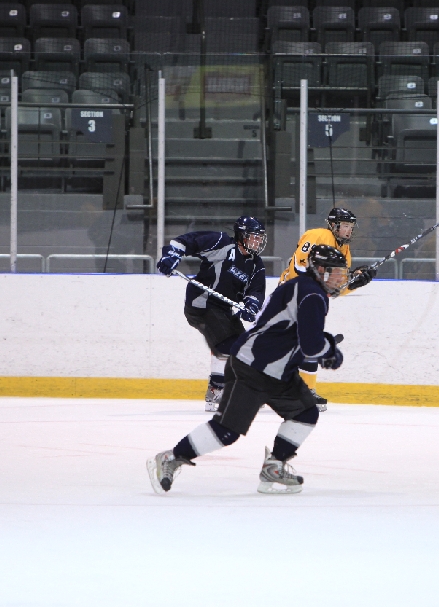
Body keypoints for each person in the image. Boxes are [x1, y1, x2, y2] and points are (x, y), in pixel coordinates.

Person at [148, 244, 349, 495]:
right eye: (335, 272)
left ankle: (274, 466)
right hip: (251, 368)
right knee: (227, 430)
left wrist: (323, 346)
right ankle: (171, 457)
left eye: (342, 272)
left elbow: (295, 334)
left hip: (277, 372)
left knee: (305, 412)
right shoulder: (312, 294)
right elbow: (310, 344)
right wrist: (329, 351)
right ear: (319, 270)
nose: (340, 278)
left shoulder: (304, 288)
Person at [156, 216, 268, 411]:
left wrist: (251, 305)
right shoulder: (222, 243)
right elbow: (186, 241)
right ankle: (220, 390)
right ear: (242, 236)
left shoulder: (256, 264)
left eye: (260, 238)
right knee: (228, 344)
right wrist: (171, 256)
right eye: (254, 237)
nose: (258, 242)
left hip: (223, 310)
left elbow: (256, 291)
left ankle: (221, 389)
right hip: (201, 304)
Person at [278, 207, 375, 411]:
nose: (348, 230)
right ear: (333, 225)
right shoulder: (317, 236)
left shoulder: (344, 251)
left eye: (351, 226)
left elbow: (336, 289)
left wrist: (355, 282)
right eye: (345, 226)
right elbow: (298, 266)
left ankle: (302, 390)